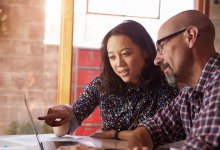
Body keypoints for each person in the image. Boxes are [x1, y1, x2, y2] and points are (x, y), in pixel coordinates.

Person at [38, 20, 179, 141]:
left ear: (146, 51)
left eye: (126, 54)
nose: (119, 63)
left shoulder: (165, 83)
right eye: (112, 57)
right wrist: (66, 111)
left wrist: (115, 134)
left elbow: (164, 133)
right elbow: (63, 131)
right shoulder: (102, 83)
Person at [128, 10, 220, 150]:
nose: (156, 60)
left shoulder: (218, 82)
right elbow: (150, 128)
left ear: (190, 36)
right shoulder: (189, 93)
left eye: (161, 47)